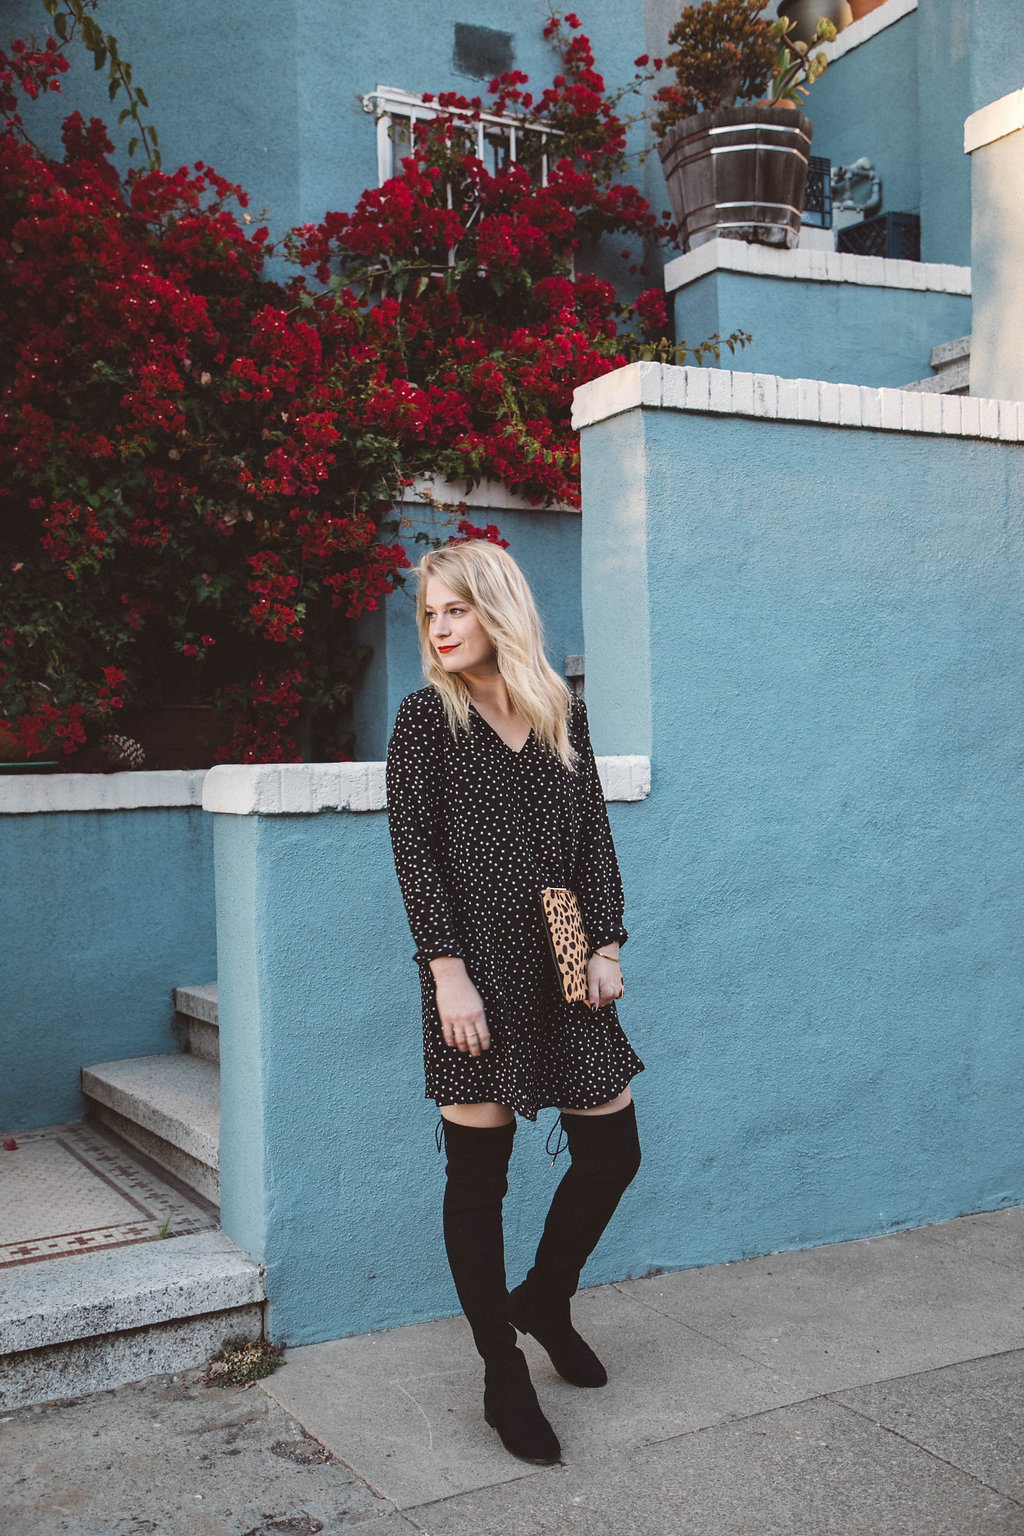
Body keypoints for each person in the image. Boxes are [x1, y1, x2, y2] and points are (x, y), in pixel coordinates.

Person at [385, 540, 644, 1467]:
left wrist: (607, 943)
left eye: (455, 609)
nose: (439, 628)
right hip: (475, 970)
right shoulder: (425, 721)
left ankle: (544, 1298)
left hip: (565, 963)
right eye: (430, 615)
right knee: (478, 1180)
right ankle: (503, 1371)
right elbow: (416, 855)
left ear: (498, 609)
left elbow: (596, 845)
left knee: (613, 1150)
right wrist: (446, 974)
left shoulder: (561, 713)